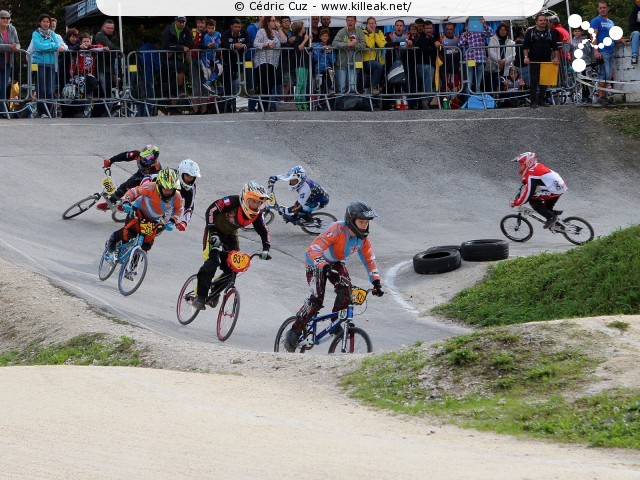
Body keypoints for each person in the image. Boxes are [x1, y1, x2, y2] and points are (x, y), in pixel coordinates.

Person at [283, 201, 384, 353]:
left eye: (366, 222)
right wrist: (325, 267)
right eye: (361, 221)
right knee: (317, 299)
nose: (364, 226)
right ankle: (295, 330)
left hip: (336, 262)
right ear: (351, 220)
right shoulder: (336, 229)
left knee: (346, 290)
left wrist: (376, 282)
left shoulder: (363, 239)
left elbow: (369, 260)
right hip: (315, 262)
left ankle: (335, 323)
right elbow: (313, 249)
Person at [191, 181, 272, 310]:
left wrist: (266, 249)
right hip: (214, 231)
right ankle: (200, 297)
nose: (256, 205)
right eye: (253, 201)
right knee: (213, 261)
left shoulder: (257, 215)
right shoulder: (231, 202)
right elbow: (211, 210)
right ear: (245, 198)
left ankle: (215, 290)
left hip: (230, 235)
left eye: (259, 203)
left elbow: (264, 231)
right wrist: (213, 234)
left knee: (233, 268)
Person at [104, 168, 184, 262]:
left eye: (171, 189)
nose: (168, 192)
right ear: (159, 185)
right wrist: (126, 201)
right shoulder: (150, 187)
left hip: (153, 220)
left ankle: (132, 267)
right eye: (165, 188)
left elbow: (179, 209)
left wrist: (172, 220)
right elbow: (134, 191)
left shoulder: (177, 197)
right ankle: (113, 239)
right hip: (138, 212)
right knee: (129, 233)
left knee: (146, 244)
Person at [509, 152, 567, 230]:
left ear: (527, 163)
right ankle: (553, 217)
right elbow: (538, 177)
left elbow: (528, 193)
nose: (519, 167)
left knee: (533, 200)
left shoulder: (531, 174)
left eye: (521, 164)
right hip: (559, 187)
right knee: (544, 205)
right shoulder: (536, 166)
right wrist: (526, 180)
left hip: (555, 190)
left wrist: (517, 202)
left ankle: (551, 218)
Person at [96, 145, 161, 211]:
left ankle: (128, 204)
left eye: (149, 160)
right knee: (125, 185)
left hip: (149, 177)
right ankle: (111, 201)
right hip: (141, 173)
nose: (144, 162)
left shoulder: (156, 169)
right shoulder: (137, 154)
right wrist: (111, 160)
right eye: (143, 158)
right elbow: (124, 156)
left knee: (134, 187)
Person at [591, 1, 626, 105]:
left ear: (608, 8)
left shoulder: (611, 22)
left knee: (608, 75)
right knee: (603, 74)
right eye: (600, 8)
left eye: (604, 7)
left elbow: (613, 37)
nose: (602, 9)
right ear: (598, 9)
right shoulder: (595, 21)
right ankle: (601, 97)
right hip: (602, 51)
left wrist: (620, 40)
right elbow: (593, 36)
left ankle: (604, 96)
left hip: (610, 51)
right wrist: (596, 50)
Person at [523, 12, 559, 108]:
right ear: (536, 22)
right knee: (534, 81)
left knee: (544, 81)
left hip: (546, 60)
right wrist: (526, 57)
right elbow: (525, 46)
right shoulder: (530, 32)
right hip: (534, 61)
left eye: (544, 20)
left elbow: (555, 47)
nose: (543, 22)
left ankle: (542, 100)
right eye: (541, 20)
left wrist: (556, 57)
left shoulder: (550, 32)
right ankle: (533, 101)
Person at [31, 14, 63, 118]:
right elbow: (38, 46)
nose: (46, 24)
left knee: (50, 90)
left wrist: (51, 46)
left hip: (51, 64)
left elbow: (58, 45)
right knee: (41, 89)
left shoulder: (52, 33)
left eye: (48, 22)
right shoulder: (35, 34)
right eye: (44, 21)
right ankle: (42, 112)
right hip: (39, 64)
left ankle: (49, 111)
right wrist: (51, 46)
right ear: (40, 22)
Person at [161, 16, 193, 111]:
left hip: (179, 58)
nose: (182, 23)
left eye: (184, 21)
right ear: (175, 21)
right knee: (179, 70)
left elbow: (189, 44)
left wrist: (178, 48)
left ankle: (174, 107)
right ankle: (179, 91)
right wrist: (180, 48)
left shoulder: (186, 30)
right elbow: (166, 45)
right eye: (180, 21)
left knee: (177, 75)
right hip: (167, 59)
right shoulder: (168, 30)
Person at [458, 17, 494, 95]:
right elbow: (460, 44)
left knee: (478, 83)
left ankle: (476, 101)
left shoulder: (481, 32)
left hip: (480, 60)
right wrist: (465, 35)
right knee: (469, 82)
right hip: (471, 59)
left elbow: (491, 33)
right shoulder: (465, 33)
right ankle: (468, 101)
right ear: (467, 24)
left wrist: (485, 24)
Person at [332, 16, 366, 94]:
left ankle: (351, 104)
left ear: (355, 21)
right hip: (342, 63)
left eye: (352, 20)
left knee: (353, 87)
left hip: (355, 62)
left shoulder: (360, 31)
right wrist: (347, 44)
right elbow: (335, 43)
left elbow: (364, 45)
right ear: (346, 21)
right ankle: (341, 105)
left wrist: (354, 45)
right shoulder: (342, 31)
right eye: (348, 20)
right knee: (342, 87)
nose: (350, 22)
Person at [0, 10, 20, 117]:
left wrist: (17, 47)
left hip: (8, 62)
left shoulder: (12, 29)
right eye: (3, 18)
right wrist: (9, 47)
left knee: (3, 88)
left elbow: (17, 43)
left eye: (8, 18)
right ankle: (2, 110)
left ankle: (3, 111)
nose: (6, 20)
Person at [486, 23, 515, 93]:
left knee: (503, 85)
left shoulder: (511, 43)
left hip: (506, 67)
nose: (503, 31)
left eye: (504, 30)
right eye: (501, 30)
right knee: (493, 85)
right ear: (498, 31)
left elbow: (513, 54)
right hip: (494, 66)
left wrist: (504, 62)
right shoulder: (492, 40)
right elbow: (490, 51)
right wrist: (499, 60)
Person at [174, 159, 200, 231]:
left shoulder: (191, 189)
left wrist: (184, 222)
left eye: (192, 177)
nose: (189, 178)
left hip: (169, 213)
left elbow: (189, 207)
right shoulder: (170, 176)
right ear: (181, 173)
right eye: (187, 175)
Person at [361, 17, 385, 95]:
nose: (371, 25)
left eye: (373, 23)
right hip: (366, 60)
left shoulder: (379, 32)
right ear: (367, 25)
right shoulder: (363, 33)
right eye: (370, 23)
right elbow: (370, 45)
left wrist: (375, 34)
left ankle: (383, 92)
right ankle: (374, 87)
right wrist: (372, 34)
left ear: (376, 24)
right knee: (378, 66)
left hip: (379, 60)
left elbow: (381, 44)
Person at [629, 0, 640, 65]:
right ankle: (634, 56)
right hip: (637, 33)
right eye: (638, 2)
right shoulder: (634, 12)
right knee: (636, 33)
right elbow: (631, 26)